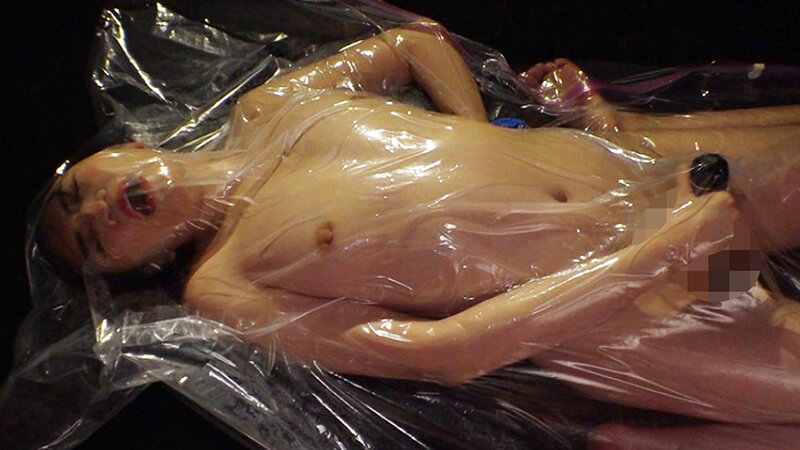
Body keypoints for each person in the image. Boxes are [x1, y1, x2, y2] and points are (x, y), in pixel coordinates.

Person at [41, 21, 799, 434]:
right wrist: (666, 253)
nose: (97, 210)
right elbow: (443, 353)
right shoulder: (225, 284)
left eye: (78, 192)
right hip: (632, 310)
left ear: (124, 150)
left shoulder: (268, 109)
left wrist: (483, 134)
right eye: (94, 241)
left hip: (651, 175)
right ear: (140, 265)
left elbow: (414, 42)